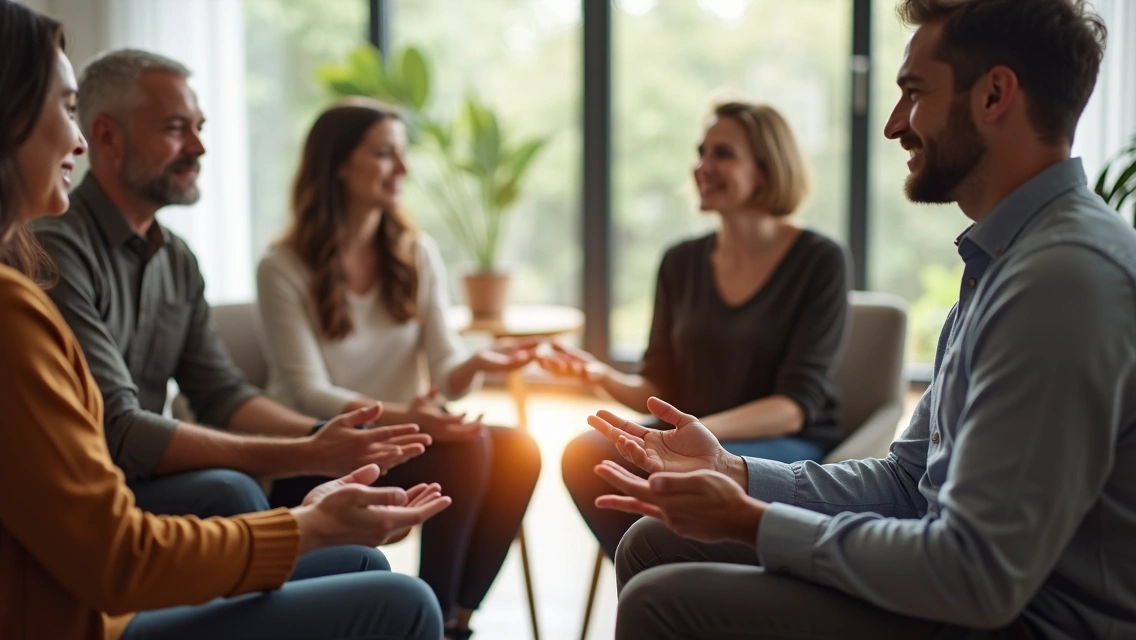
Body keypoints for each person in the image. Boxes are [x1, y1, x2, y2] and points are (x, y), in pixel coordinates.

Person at [590, 1, 1136, 638]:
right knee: (654, 542)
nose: (893, 125)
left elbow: (977, 576)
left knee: (663, 599)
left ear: (994, 95)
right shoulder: (1003, 259)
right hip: (979, 589)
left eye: (914, 93)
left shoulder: (1062, 280)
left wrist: (750, 521)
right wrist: (733, 471)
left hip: (1031, 620)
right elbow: (909, 481)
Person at [0, 1, 449, 639]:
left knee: (363, 563)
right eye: (63, 108)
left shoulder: (6, 283)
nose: (78, 138)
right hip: (72, 612)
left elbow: (220, 391)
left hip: (73, 585)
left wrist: (314, 460)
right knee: (402, 602)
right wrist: (305, 520)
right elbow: (114, 546)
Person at [31, 49, 433, 521]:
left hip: (141, 481)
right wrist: (306, 455)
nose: (199, 148)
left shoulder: (176, 259)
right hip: (85, 493)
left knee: (364, 561)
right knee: (229, 492)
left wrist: (322, 435)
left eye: (199, 128)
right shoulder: (55, 249)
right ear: (107, 137)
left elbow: (221, 394)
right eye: (176, 128)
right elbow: (117, 429)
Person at [255, 99, 543, 640]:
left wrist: (475, 363)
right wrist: (409, 418)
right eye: (385, 154)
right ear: (339, 163)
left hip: (403, 442)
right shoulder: (282, 266)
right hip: (318, 450)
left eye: (401, 155)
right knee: (468, 448)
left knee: (516, 450)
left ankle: (452, 619)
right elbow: (306, 389)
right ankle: (430, 621)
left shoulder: (416, 253)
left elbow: (446, 368)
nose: (403, 170)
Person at [544, 100, 850, 558]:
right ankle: (658, 584)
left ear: (766, 170)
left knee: (694, 471)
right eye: (701, 152)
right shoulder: (680, 261)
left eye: (722, 154)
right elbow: (658, 385)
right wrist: (599, 376)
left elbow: (793, 407)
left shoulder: (820, 259)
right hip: (691, 432)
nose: (702, 167)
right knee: (584, 455)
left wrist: (698, 434)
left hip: (781, 441)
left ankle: (697, 595)